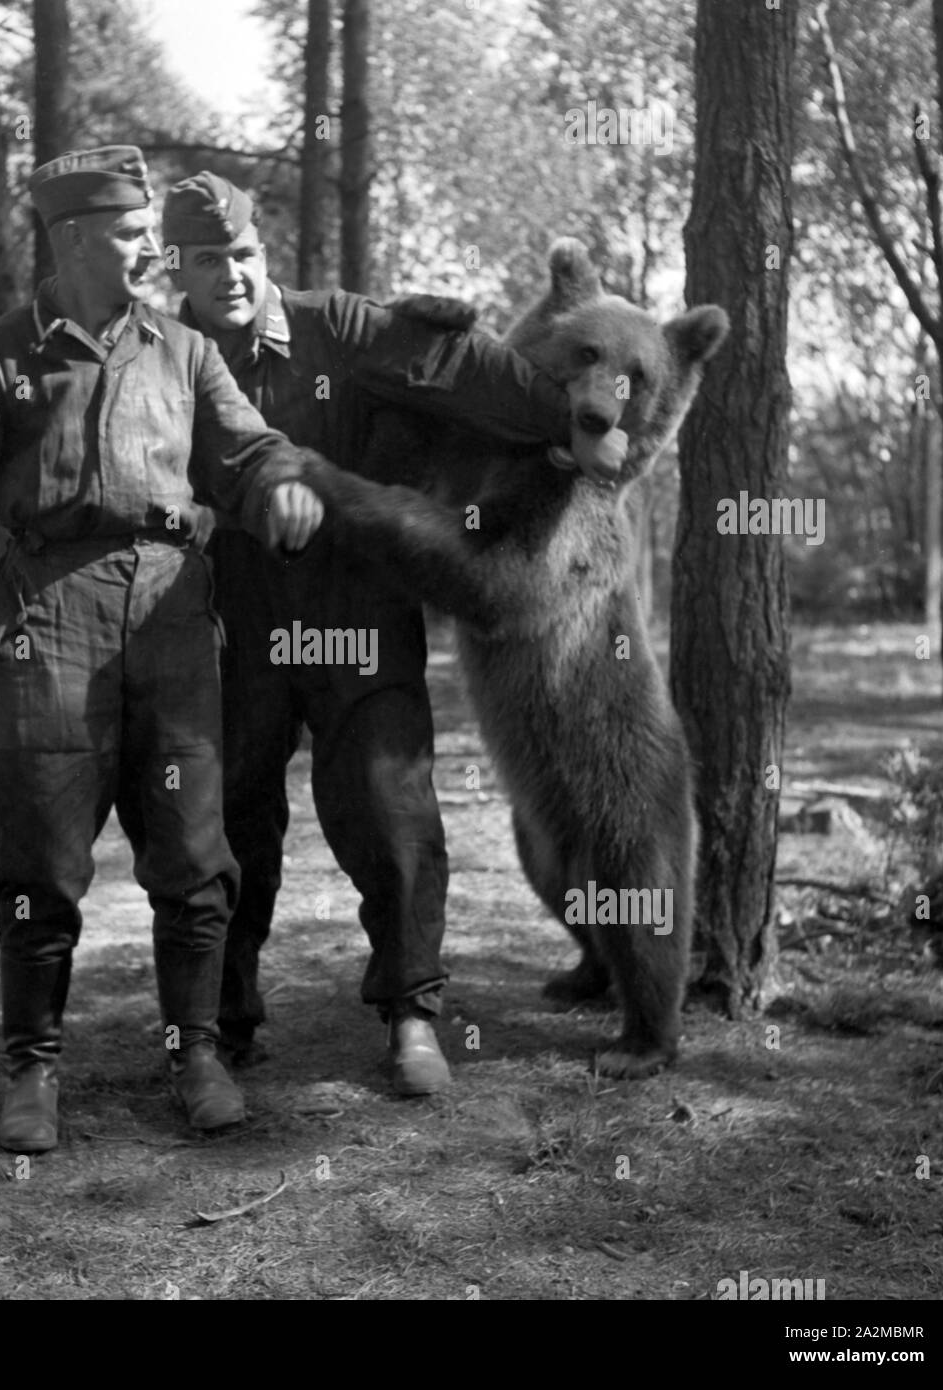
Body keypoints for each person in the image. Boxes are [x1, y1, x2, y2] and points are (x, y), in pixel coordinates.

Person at [163, 172, 627, 1096]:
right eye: (209, 260)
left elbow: (465, 372)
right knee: (229, 823)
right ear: (176, 267)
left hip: (358, 610)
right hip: (233, 620)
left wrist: (570, 425)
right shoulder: (159, 355)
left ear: (268, 255)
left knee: (392, 809)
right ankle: (225, 1024)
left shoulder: (340, 326)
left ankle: (413, 1014)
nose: (232, 274)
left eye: (245, 254)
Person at [0, 146, 324, 1153]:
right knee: (42, 856)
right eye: (134, 233)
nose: (151, 249)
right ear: (73, 240)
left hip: (175, 617)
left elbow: (249, 442)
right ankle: (32, 1070)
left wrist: (280, 482)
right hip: (51, 618)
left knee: (192, 856)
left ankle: (198, 1052)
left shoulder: (185, 352)